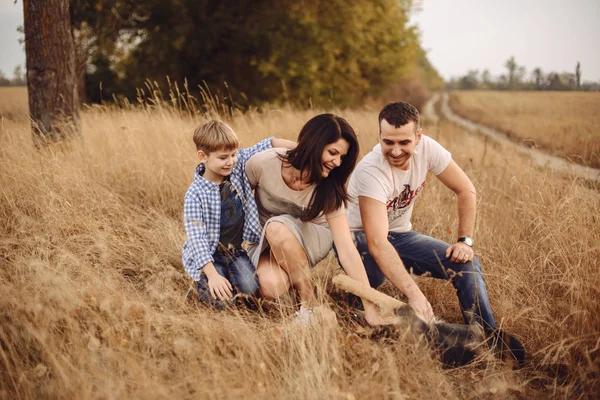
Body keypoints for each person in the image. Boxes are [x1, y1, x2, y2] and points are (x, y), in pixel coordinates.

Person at [341, 101, 496, 331]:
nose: (395, 151)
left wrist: (464, 241)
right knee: (375, 274)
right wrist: (415, 295)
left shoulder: (428, 149)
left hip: (400, 235)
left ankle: (485, 336)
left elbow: (466, 190)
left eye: (404, 142)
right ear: (379, 135)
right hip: (358, 238)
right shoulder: (371, 171)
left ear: (418, 137)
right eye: (388, 142)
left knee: (468, 264)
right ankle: (353, 308)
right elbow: (377, 243)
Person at [245, 114, 384, 325]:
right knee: (270, 288)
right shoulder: (262, 164)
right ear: (314, 143)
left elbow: (346, 250)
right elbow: (235, 206)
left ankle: (311, 305)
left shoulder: (329, 187)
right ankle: (299, 283)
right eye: (333, 153)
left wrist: (370, 306)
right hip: (267, 240)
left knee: (277, 228)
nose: (337, 162)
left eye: (342, 157)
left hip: (312, 237)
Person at [182, 120, 295, 309]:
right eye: (223, 157)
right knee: (220, 300)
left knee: (250, 288)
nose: (231, 161)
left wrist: (302, 148)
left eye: (233, 154)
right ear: (203, 156)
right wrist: (212, 275)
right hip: (209, 255)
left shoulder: (236, 167)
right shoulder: (195, 194)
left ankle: (227, 285)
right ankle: (200, 288)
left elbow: (268, 143)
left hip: (235, 251)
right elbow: (196, 239)